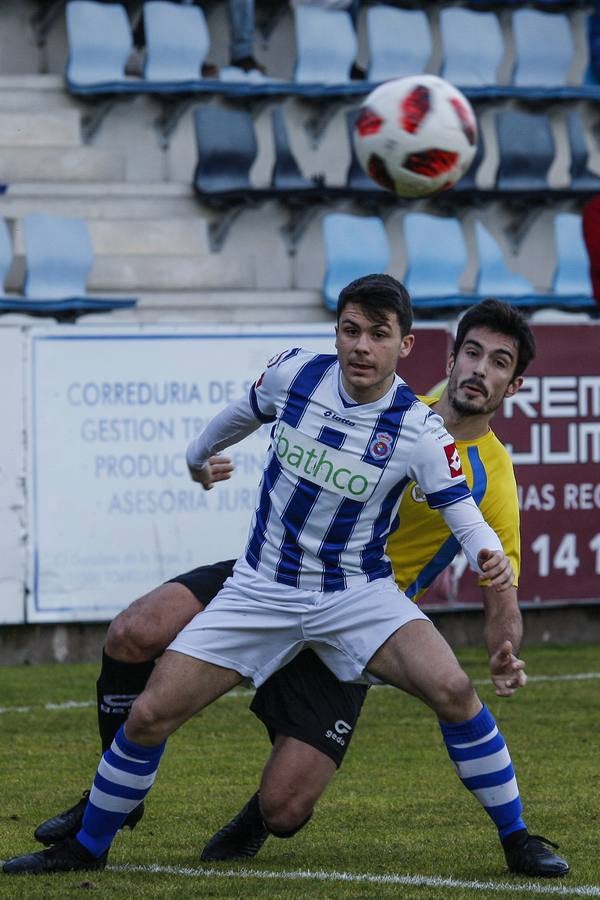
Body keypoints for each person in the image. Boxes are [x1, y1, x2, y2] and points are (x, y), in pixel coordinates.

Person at [3, 279, 568, 877]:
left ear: (404, 346)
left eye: (378, 335)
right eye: (351, 330)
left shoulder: (420, 430)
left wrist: (491, 558)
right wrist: (198, 463)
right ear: (445, 358)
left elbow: (466, 512)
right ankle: (88, 845)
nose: (361, 347)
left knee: (449, 695)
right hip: (262, 586)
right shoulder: (294, 375)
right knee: (147, 711)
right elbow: (231, 420)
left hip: (358, 596)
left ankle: (519, 840)